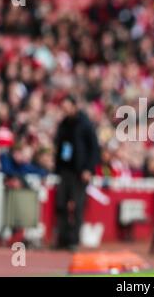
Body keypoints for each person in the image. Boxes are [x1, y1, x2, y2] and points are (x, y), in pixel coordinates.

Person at [54, 95, 100, 251]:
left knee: (78, 206)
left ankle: (74, 240)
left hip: (79, 172)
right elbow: (60, 146)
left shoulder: (85, 124)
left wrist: (89, 169)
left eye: (67, 107)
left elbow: (94, 149)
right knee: (61, 204)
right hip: (65, 170)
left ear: (74, 106)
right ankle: (63, 238)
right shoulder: (64, 124)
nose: (65, 111)